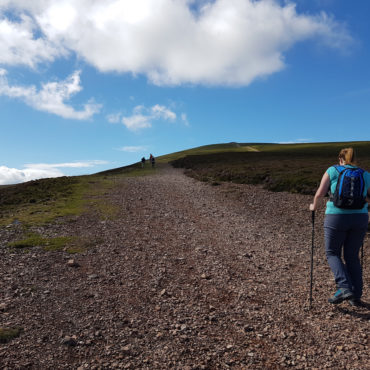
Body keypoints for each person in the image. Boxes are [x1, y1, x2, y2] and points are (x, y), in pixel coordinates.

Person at [309, 147, 370, 307]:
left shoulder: (332, 170)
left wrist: (313, 207)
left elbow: (320, 194)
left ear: (340, 159)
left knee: (332, 253)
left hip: (336, 217)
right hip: (360, 218)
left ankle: (343, 287)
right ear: (355, 159)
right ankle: (355, 295)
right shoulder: (365, 174)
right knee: (352, 256)